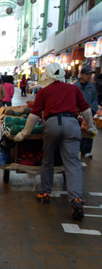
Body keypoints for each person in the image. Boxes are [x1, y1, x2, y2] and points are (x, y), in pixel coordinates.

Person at [14, 63, 97, 220]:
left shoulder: (44, 91)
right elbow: (86, 110)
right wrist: (91, 127)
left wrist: (24, 133)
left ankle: (45, 193)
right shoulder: (73, 89)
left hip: (52, 124)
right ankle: (76, 200)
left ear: (47, 76)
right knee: (73, 163)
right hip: (72, 124)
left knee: (48, 159)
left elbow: (34, 115)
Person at [74, 67, 98, 159]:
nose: (88, 76)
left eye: (90, 75)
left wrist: (93, 109)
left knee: (89, 130)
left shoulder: (91, 86)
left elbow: (95, 99)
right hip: (78, 114)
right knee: (78, 131)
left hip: (89, 112)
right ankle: (77, 149)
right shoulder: (75, 86)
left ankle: (86, 151)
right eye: (87, 74)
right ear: (81, 75)